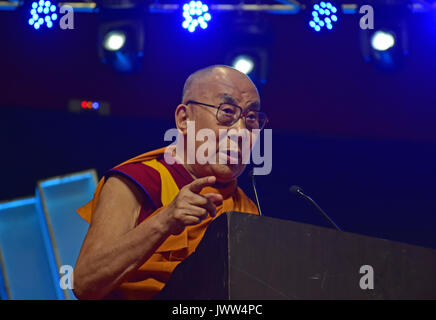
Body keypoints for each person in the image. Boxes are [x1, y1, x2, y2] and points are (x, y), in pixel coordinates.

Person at [73, 65, 268, 300]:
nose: (241, 132)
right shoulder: (139, 182)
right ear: (184, 119)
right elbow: (84, 283)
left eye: (251, 119)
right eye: (227, 112)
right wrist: (164, 221)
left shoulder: (246, 208)